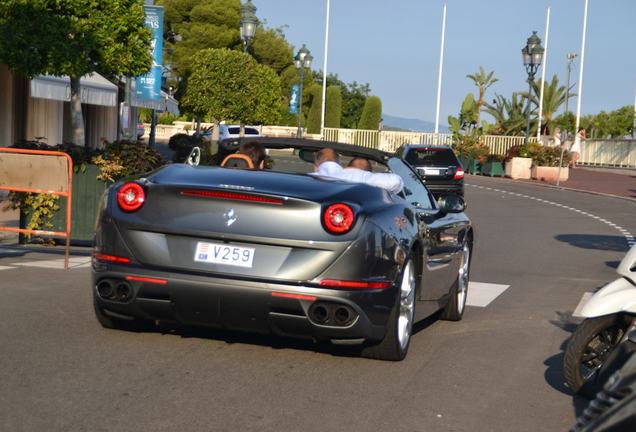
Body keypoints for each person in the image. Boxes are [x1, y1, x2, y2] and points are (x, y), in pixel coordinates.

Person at [312, 148, 403, 194]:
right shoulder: (368, 179)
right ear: (368, 171)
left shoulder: (321, 174)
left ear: (347, 166)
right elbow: (395, 181)